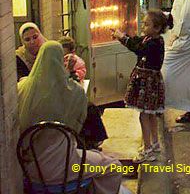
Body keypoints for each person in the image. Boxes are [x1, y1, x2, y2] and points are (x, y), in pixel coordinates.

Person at [18, 41, 122, 193]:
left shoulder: (22, 88)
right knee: (113, 166)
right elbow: (78, 124)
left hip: (30, 169)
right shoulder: (74, 92)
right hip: (67, 165)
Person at [16, 24, 108, 150]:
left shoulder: (48, 49)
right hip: (42, 101)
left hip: (53, 94)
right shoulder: (19, 59)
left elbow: (58, 76)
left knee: (88, 107)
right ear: (22, 41)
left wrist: (67, 71)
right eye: (27, 39)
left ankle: (87, 142)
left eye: (35, 37)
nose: (32, 42)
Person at [112, 10, 173, 163]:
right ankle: (155, 144)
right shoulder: (149, 38)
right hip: (149, 82)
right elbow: (135, 42)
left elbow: (138, 49)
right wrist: (122, 37)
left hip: (147, 83)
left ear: (157, 28)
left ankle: (147, 149)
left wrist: (123, 38)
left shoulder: (154, 43)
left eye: (147, 24)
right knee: (150, 114)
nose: (143, 26)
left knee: (144, 115)